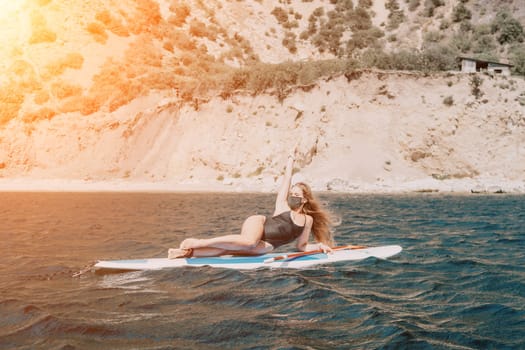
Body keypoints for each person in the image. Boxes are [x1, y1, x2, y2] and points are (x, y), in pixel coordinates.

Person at [168, 149, 334, 259]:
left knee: (229, 249)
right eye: (291, 192)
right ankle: (197, 242)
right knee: (249, 241)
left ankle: (187, 253)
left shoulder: (308, 220)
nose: (292, 195)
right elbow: (287, 179)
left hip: (268, 245)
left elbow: (302, 246)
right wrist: (291, 158)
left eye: (296, 194)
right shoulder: (282, 205)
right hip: (258, 224)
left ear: (304, 199)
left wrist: (319, 246)